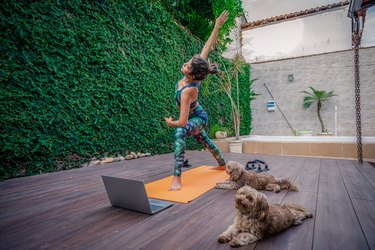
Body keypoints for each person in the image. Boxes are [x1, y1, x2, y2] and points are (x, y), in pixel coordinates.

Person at [164, 10, 229, 191]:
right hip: (196, 117)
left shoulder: (188, 90)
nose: (185, 63)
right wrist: (216, 26)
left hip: (199, 118)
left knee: (180, 132)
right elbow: (206, 48)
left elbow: (183, 122)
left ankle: (176, 178)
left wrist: (170, 122)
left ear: (192, 74)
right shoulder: (192, 77)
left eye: (188, 65)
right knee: (205, 140)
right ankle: (222, 163)